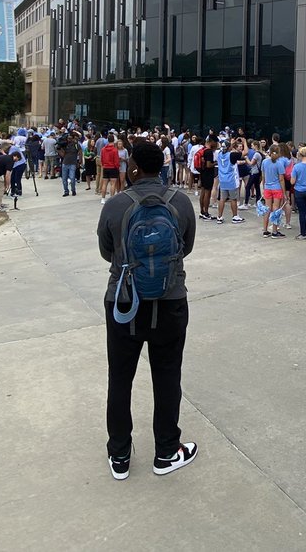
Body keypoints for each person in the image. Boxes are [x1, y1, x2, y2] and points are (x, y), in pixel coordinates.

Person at [99, 141, 197, 480]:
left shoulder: (115, 205)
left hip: (124, 300)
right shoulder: (181, 201)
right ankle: (167, 451)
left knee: (120, 377)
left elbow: (106, 251)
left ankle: (120, 455)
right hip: (170, 300)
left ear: (134, 168)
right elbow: (186, 246)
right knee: (168, 375)